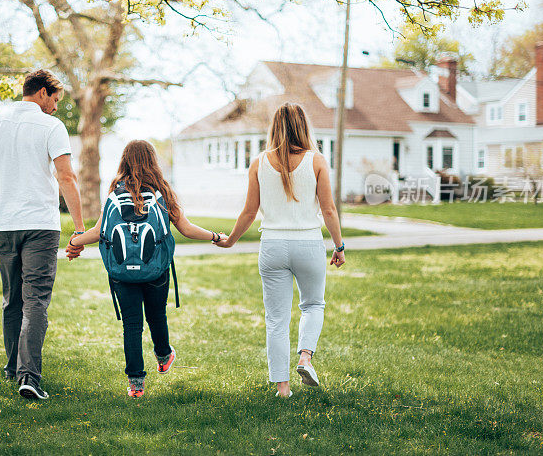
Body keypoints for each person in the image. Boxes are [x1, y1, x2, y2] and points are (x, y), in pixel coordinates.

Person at [0, 69, 86, 400]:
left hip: (4, 226)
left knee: (13, 299)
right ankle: (29, 377)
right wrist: (80, 230)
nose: (55, 107)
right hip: (40, 225)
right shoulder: (51, 127)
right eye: (54, 99)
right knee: (35, 299)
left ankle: (13, 368)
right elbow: (66, 177)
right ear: (41, 93)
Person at [66, 140, 227, 398]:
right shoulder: (162, 191)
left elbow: (98, 232)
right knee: (156, 315)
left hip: (121, 273)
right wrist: (216, 237)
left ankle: (136, 384)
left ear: (124, 161)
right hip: (156, 270)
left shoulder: (114, 193)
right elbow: (185, 228)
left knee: (131, 325)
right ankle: (163, 355)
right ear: (152, 161)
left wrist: (74, 242)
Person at [216, 103, 345, 398]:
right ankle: (305, 358)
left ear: (274, 127)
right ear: (303, 126)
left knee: (276, 319)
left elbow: (249, 212)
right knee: (313, 305)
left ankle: (282, 388)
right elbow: (328, 210)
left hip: (272, 245)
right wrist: (338, 246)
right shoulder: (317, 161)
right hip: (308, 243)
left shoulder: (258, 162)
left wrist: (231, 240)